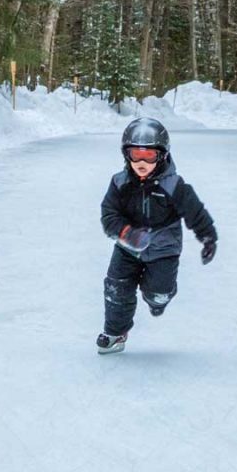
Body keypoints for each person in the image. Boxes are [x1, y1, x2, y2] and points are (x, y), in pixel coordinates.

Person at [96, 117, 217, 354]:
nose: (141, 162)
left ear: (161, 156)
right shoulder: (120, 183)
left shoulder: (173, 185)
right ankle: (115, 332)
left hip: (164, 251)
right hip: (127, 249)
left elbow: (195, 212)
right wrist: (125, 233)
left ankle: (160, 295)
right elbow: (108, 214)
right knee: (116, 288)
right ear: (126, 155)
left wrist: (208, 237)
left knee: (157, 294)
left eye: (149, 156)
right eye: (135, 154)